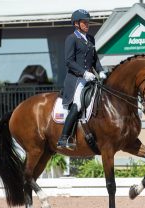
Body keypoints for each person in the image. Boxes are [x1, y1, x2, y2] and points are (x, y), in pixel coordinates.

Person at [56, 9, 107, 150]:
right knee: (78, 103)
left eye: (88, 22)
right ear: (77, 24)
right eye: (84, 22)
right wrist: (84, 73)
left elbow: (95, 59)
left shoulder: (91, 39)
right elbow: (69, 62)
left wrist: (101, 71)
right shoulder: (71, 39)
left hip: (90, 77)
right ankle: (64, 137)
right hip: (76, 79)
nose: (87, 24)